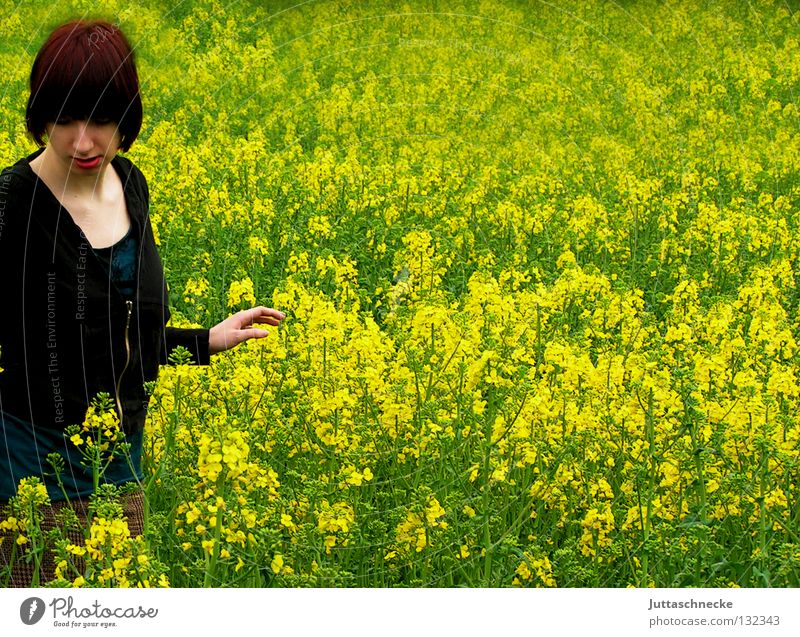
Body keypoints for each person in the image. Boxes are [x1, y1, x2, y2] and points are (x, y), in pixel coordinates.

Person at [0, 19, 285, 586]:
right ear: (40, 117)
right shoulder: (11, 206)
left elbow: (124, 329)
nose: (83, 141)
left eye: (101, 119)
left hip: (122, 459)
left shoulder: (130, 184)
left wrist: (205, 342)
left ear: (126, 119)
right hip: (35, 467)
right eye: (64, 120)